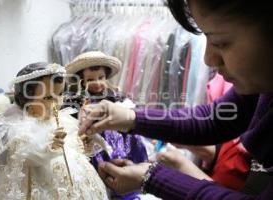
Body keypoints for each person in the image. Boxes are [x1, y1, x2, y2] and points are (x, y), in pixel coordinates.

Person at [78, 0, 273, 199]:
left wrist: (150, 177)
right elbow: (217, 119)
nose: (208, 59)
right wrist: (130, 117)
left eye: (221, 43)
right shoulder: (262, 86)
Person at [0, 62, 108, 200]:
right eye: (48, 98)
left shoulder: (63, 120)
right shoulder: (17, 125)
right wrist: (49, 147)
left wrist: (82, 143)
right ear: (27, 99)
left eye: (60, 94)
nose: (57, 102)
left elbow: (73, 145)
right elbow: (24, 154)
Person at [64, 51, 149, 200]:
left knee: (132, 142)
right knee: (100, 163)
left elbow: (127, 111)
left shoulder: (114, 95)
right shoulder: (80, 100)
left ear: (106, 77)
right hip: (96, 138)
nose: (97, 82)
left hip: (118, 134)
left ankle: (131, 183)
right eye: (90, 79)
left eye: (101, 78)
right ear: (82, 81)